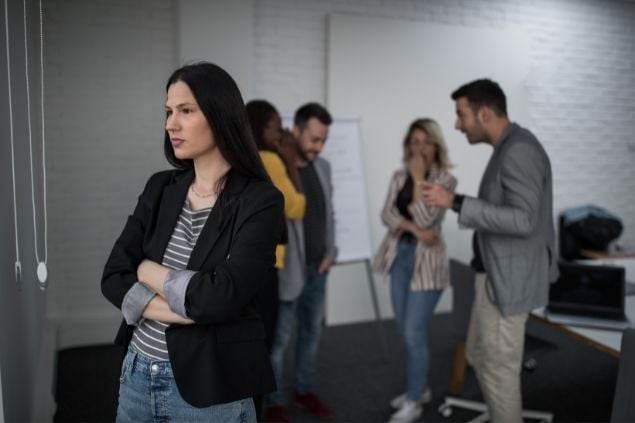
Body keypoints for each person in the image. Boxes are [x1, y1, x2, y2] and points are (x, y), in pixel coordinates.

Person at [101, 62, 284, 423]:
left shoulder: (260, 200)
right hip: (137, 373)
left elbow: (221, 297)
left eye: (186, 111)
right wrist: (187, 310)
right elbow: (112, 277)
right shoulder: (160, 187)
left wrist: (147, 270)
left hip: (210, 387)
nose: (171, 123)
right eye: (169, 112)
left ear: (219, 115)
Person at [421, 79, 559, 423]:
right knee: (482, 357)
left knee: (500, 374)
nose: (456, 124)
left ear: (484, 113)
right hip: (493, 274)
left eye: (460, 114)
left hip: (507, 280)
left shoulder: (518, 150)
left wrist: (455, 202)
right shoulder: (508, 147)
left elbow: (524, 219)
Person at [372, 118, 457, 423]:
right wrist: (413, 229)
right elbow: (386, 214)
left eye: (426, 141)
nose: (419, 148)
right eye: (414, 141)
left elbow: (426, 219)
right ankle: (419, 388)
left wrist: (420, 179)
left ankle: (414, 402)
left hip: (428, 265)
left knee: (413, 333)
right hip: (400, 257)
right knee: (405, 332)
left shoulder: (445, 181)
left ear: (436, 146)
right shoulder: (398, 176)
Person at [264, 102, 337, 422]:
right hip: (290, 271)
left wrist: (331, 252)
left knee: (311, 334)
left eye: (323, 140)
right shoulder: (279, 167)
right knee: (279, 340)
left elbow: (329, 214)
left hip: (319, 268)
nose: (318, 147)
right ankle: (274, 402)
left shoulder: (324, 168)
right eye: (313, 139)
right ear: (296, 130)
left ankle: (304, 390)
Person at [245, 99, 306, 419]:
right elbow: (295, 207)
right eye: (274, 125)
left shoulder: (243, 158)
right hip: (266, 266)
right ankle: (259, 409)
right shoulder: (270, 158)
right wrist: (291, 161)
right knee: (265, 345)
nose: (280, 131)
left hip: (243, 263)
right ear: (261, 127)